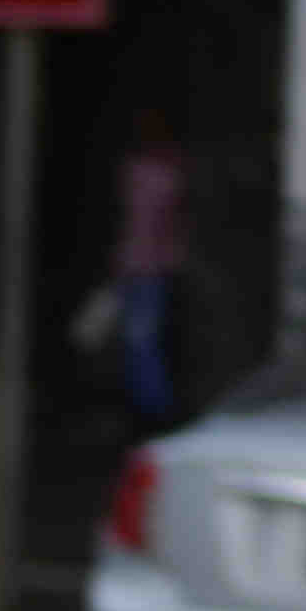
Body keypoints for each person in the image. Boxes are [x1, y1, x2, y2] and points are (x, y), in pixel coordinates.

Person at [105, 111, 193, 425]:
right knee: (140, 342)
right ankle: (148, 408)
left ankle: (154, 411)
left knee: (142, 342)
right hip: (144, 266)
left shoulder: (152, 172)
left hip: (148, 268)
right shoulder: (160, 170)